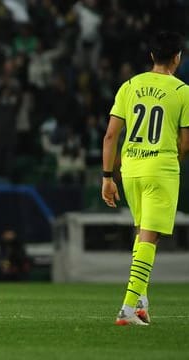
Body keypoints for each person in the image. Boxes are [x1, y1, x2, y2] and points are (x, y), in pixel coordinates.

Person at [102, 31, 189, 326]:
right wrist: (171, 162)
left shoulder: (130, 85)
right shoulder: (182, 91)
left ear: (152, 56)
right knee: (150, 238)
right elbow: (185, 142)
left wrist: (106, 177)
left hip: (130, 170)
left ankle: (141, 303)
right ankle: (127, 309)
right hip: (159, 168)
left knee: (142, 235)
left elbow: (111, 135)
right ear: (178, 57)